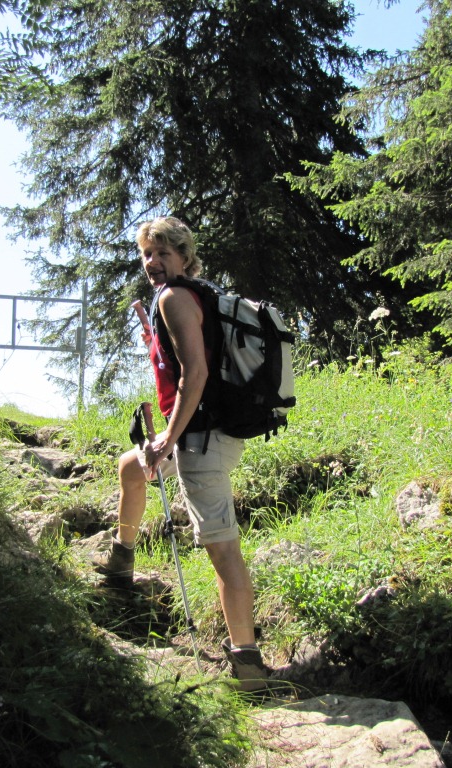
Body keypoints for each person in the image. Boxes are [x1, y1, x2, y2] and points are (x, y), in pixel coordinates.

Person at [92, 216, 270, 692]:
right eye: (147, 253)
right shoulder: (195, 295)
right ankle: (121, 564)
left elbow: (197, 373)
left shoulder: (174, 297)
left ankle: (248, 669)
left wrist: (168, 438)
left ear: (185, 257)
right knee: (131, 469)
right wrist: (153, 341)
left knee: (222, 549)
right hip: (199, 432)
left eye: (163, 253)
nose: (152, 262)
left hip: (199, 439)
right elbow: (187, 359)